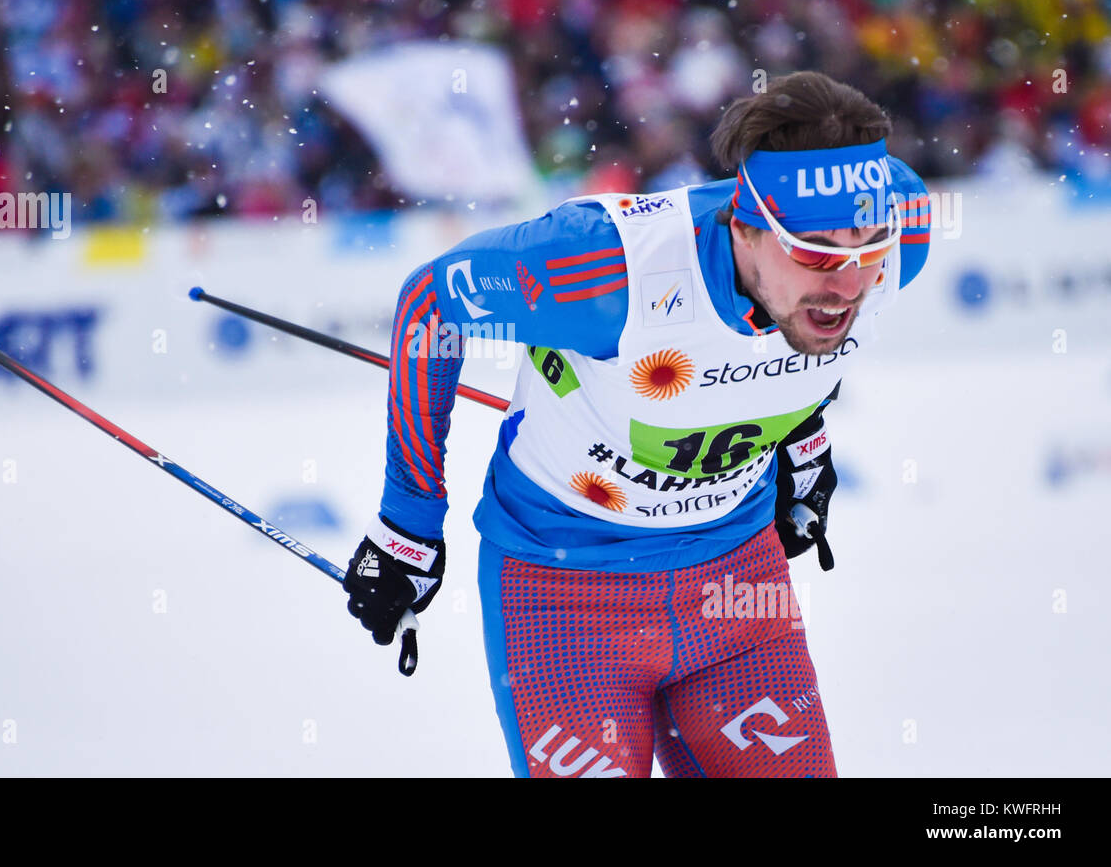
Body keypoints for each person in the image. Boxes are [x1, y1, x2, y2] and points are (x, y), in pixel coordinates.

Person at [343, 71, 931, 777]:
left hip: (736, 583)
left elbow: (797, 353)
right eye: (814, 251)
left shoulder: (904, 231)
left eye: (867, 248)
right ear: (744, 227)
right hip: (564, 595)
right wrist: (406, 526)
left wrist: (801, 442)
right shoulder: (608, 269)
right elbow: (430, 305)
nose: (846, 282)